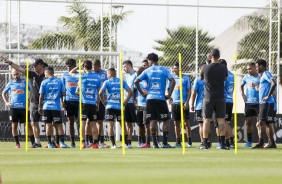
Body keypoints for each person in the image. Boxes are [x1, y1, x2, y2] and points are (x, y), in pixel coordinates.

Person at [4, 58, 48, 148]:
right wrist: (10, 63)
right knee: (34, 123)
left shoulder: (47, 75)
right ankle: (37, 142)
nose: (34, 67)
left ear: (41, 65)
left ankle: (52, 142)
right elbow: (19, 68)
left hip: (46, 103)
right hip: (34, 104)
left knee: (49, 123)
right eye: (33, 66)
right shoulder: (31, 74)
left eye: (36, 66)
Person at [135, 53, 176, 148]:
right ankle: (165, 143)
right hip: (161, 98)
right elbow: (172, 81)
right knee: (165, 120)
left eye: (148, 61)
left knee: (152, 120)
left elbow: (136, 81)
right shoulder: (164, 69)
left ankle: (155, 144)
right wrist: (169, 94)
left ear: (150, 60)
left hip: (150, 99)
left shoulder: (147, 70)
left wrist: (142, 93)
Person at [200, 49, 228, 150]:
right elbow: (225, 78)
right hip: (220, 97)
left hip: (208, 97)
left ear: (210, 56)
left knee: (206, 120)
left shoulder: (205, 67)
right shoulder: (224, 68)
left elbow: (201, 78)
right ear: (219, 56)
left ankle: (204, 143)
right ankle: (223, 143)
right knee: (221, 120)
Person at [70, 60, 101, 149]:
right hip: (93, 103)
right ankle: (95, 143)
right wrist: (98, 103)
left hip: (84, 103)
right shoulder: (97, 77)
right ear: (92, 67)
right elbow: (99, 92)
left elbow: (71, 72)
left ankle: (83, 143)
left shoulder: (82, 76)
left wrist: (79, 66)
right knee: (93, 124)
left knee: (83, 124)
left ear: (84, 67)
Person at [99, 68, 132, 149]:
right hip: (119, 107)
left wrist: (103, 102)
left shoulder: (107, 82)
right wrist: (125, 102)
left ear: (110, 74)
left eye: (107, 74)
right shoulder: (121, 81)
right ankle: (126, 144)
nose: (107, 75)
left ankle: (113, 145)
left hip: (110, 106)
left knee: (111, 125)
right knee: (122, 125)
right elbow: (130, 92)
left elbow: (100, 93)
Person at [2, 69, 34, 148]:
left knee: (28, 125)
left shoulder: (25, 82)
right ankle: (17, 143)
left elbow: (32, 92)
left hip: (23, 107)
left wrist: (29, 100)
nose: (16, 76)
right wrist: (6, 102)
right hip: (14, 107)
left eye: (17, 74)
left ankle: (33, 143)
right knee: (14, 125)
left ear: (20, 74)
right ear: (12, 75)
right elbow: (3, 93)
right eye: (14, 75)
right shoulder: (10, 83)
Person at [38, 67, 69, 148]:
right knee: (59, 125)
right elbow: (64, 93)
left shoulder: (44, 82)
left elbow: (41, 95)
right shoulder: (59, 81)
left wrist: (39, 106)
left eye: (45, 72)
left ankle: (50, 144)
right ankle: (62, 143)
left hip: (46, 106)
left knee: (48, 125)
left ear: (47, 73)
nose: (44, 74)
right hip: (56, 106)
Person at [253, 59, 277, 148]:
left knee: (261, 122)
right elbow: (267, 86)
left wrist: (267, 96)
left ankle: (261, 142)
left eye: (256, 66)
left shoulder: (266, 74)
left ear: (261, 66)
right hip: (266, 103)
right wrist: (259, 88)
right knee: (268, 123)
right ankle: (272, 143)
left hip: (266, 102)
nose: (256, 68)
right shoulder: (263, 75)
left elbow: (273, 83)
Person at [168, 62, 192, 148]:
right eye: (173, 68)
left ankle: (189, 141)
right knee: (176, 123)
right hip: (175, 103)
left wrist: (187, 102)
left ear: (179, 69)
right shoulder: (172, 78)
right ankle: (178, 141)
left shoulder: (186, 78)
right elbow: (168, 88)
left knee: (186, 123)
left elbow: (189, 91)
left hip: (183, 103)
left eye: (175, 68)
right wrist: (169, 97)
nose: (174, 70)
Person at [190, 64, 212, 148]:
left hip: (200, 105)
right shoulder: (210, 79)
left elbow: (194, 93)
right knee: (207, 124)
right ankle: (208, 142)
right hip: (209, 104)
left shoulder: (198, 79)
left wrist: (192, 104)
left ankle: (203, 142)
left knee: (202, 125)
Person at [240, 62, 260, 147]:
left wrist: (256, 85)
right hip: (248, 103)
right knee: (249, 122)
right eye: (247, 69)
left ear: (255, 68)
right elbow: (241, 86)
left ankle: (261, 142)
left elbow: (263, 86)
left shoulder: (260, 76)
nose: (248, 70)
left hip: (258, 103)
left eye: (250, 68)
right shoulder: (246, 77)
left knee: (259, 123)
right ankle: (249, 142)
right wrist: (243, 94)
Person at [61, 59, 79, 148]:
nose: (68, 68)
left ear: (75, 66)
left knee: (81, 122)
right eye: (67, 66)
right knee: (70, 121)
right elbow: (62, 89)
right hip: (68, 100)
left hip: (79, 101)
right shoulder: (64, 75)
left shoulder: (80, 75)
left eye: (70, 66)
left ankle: (84, 140)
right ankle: (72, 142)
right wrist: (62, 101)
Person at [219, 59, 234, 149]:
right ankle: (229, 141)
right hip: (230, 100)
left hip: (224, 100)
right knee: (226, 122)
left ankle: (228, 141)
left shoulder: (223, 75)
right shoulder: (232, 75)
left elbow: (221, 87)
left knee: (223, 122)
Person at [93, 59, 109, 148]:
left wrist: (105, 97)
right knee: (91, 121)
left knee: (100, 121)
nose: (94, 68)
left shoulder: (105, 74)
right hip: (92, 100)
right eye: (93, 67)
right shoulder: (92, 74)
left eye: (95, 67)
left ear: (99, 66)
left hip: (102, 100)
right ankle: (91, 140)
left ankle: (101, 141)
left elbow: (108, 86)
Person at [122, 60, 137, 148]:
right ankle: (128, 142)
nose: (124, 68)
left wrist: (135, 99)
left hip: (134, 103)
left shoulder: (136, 75)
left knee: (138, 123)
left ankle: (142, 141)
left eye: (124, 66)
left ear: (129, 65)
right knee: (128, 122)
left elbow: (136, 89)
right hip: (126, 102)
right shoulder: (126, 76)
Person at [135, 66, 150, 148]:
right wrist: (134, 100)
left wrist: (145, 93)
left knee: (146, 124)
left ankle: (147, 142)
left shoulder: (147, 80)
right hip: (139, 105)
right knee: (140, 125)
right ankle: (141, 141)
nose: (137, 73)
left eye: (138, 72)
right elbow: (134, 90)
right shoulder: (137, 81)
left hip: (146, 105)